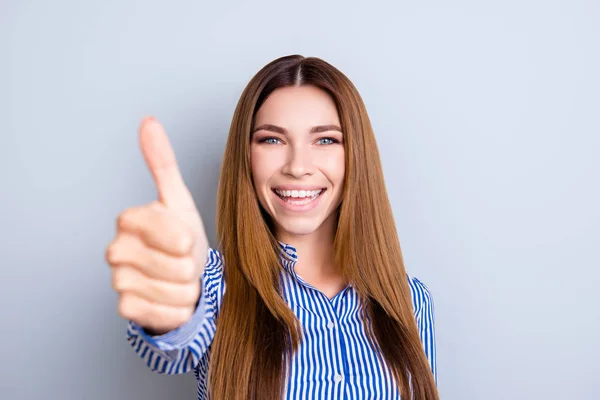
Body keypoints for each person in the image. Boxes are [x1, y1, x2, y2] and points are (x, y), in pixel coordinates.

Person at [106, 55, 439, 400]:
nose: (297, 167)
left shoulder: (411, 301)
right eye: (272, 140)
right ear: (246, 157)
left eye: (325, 140)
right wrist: (170, 305)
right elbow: (172, 348)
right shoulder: (214, 286)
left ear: (356, 155)